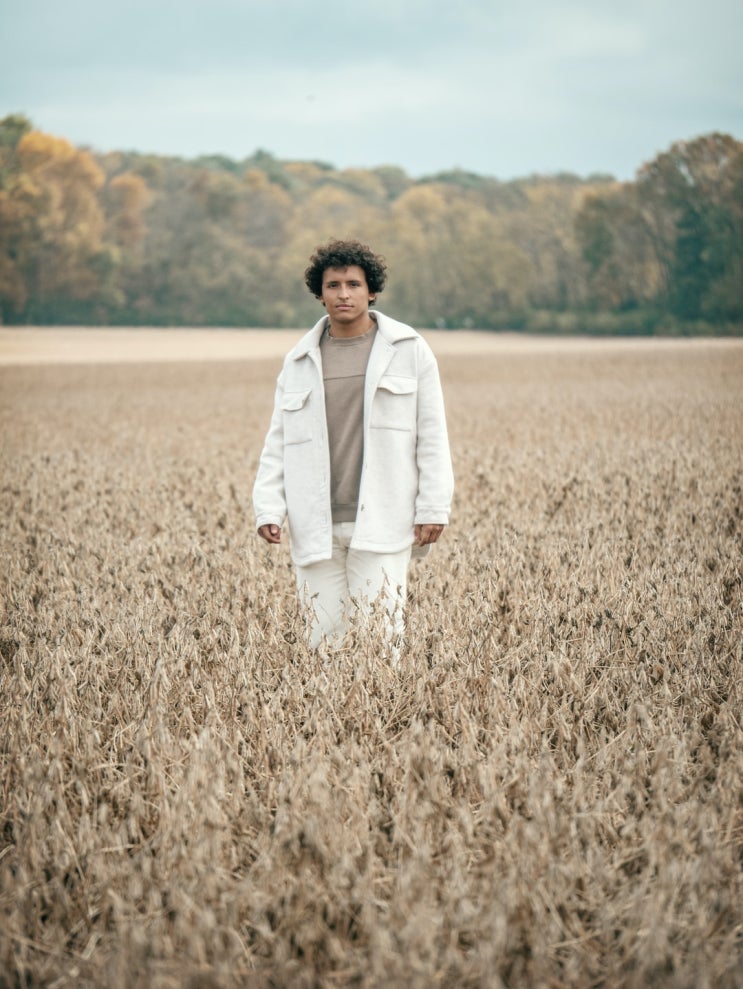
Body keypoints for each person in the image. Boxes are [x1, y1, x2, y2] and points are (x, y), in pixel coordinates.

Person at [253, 239, 454, 655]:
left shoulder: (409, 350)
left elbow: (432, 434)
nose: (343, 294)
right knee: (322, 643)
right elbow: (279, 440)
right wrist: (268, 507)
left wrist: (433, 507)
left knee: (381, 641)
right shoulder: (298, 360)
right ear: (320, 293)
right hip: (315, 523)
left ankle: (382, 701)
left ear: (371, 290)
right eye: (333, 285)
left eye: (353, 284)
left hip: (385, 518)